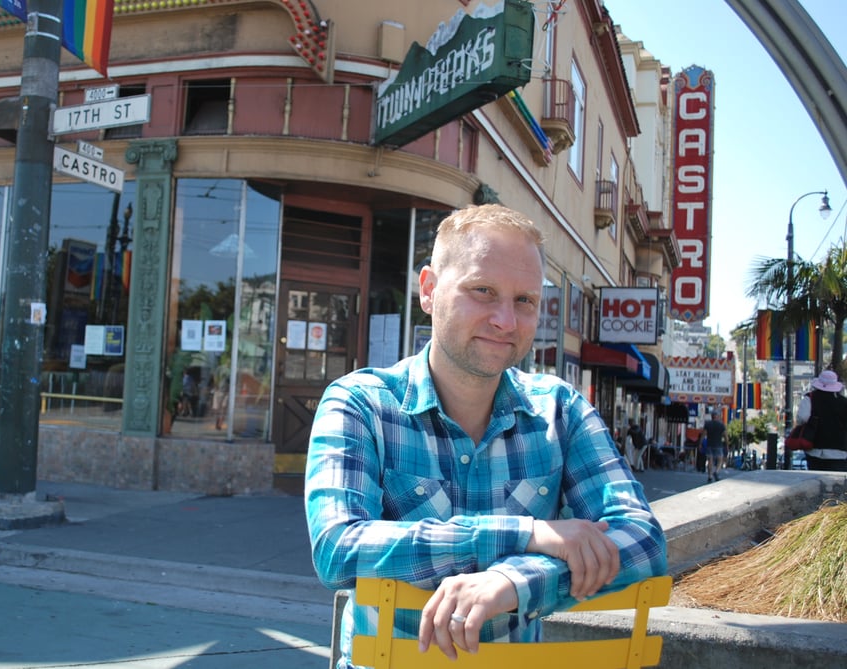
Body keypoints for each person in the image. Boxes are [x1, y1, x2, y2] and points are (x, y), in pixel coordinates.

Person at [304, 204, 667, 668]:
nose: (506, 321)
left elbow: (643, 541)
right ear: (429, 290)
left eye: (525, 301)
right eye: (483, 291)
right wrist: (529, 533)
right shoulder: (361, 403)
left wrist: (515, 582)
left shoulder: (561, 411)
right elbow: (339, 549)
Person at [795, 370, 847, 472]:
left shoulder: (810, 398)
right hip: (840, 452)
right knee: (838, 483)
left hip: (815, 449)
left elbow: (802, 418)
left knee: (816, 481)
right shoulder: (844, 402)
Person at [702, 410, 727, 483]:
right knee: (720, 459)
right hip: (718, 445)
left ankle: (709, 476)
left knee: (710, 460)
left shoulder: (708, 424)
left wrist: (700, 443)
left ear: (711, 416)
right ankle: (716, 471)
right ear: (718, 416)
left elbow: (704, 434)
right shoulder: (721, 425)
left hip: (709, 444)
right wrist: (727, 444)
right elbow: (725, 436)